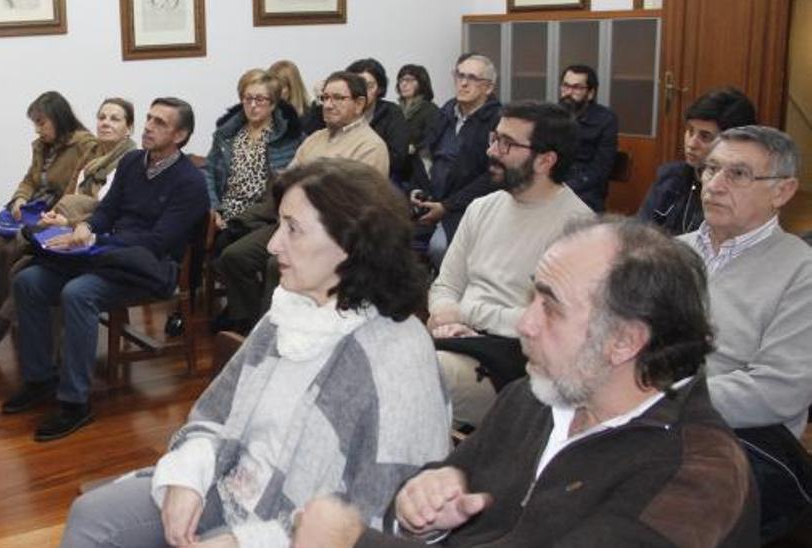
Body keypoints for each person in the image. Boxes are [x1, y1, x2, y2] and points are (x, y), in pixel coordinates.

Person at [294, 217, 760, 548]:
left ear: (623, 341)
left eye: (550, 307)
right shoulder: (538, 396)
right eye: (532, 296)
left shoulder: (696, 473)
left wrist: (352, 542)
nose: (525, 323)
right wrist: (426, 505)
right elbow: (436, 492)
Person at [62, 158, 450, 548]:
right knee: (92, 518)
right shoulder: (290, 309)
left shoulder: (398, 355)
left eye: (292, 229)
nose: (272, 243)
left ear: (350, 244)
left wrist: (244, 541)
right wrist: (187, 478)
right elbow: (216, 412)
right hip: (232, 486)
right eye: (279, 224)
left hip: (296, 533)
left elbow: (378, 517)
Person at [4, 97, 209, 442]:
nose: (148, 127)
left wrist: (97, 240)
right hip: (106, 255)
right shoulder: (131, 162)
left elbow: (158, 242)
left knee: (78, 293)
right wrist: (86, 228)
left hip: (149, 268)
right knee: (28, 281)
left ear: (181, 134)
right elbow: (106, 211)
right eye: (148, 118)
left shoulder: (189, 182)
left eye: (160, 123)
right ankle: (40, 379)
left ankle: (75, 402)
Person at [427, 100, 593, 429]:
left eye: (507, 144)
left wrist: (466, 313)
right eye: (494, 138)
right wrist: (445, 312)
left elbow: (556, 324)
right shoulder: (482, 207)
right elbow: (445, 285)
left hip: (517, 359)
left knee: (419, 376)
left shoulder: (579, 229)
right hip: (458, 338)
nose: (492, 151)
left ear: (546, 160)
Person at [681, 125, 812, 541]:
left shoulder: (801, 271)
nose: (714, 186)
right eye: (711, 169)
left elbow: (779, 390)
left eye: (737, 175)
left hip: (737, 439)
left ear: (783, 191)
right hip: (648, 419)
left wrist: (659, 398)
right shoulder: (671, 252)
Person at [212, 71, 389, 334]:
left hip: (334, 233)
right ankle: (252, 325)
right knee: (234, 257)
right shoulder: (315, 139)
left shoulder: (370, 146)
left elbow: (353, 204)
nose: (328, 105)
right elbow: (286, 182)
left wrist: (306, 189)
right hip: (293, 223)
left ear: (360, 103)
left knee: (277, 264)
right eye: (325, 97)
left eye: (338, 98)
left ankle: (275, 331)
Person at [0, 98, 139, 353]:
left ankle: (0, 324)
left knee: (18, 260)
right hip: (63, 221)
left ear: (129, 127)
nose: (105, 123)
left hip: (92, 235)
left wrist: (65, 218)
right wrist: (43, 209)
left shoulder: (128, 160)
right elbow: (59, 187)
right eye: (102, 117)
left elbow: (108, 209)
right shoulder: (92, 152)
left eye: (114, 119)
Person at [0, 92, 97, 348]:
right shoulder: (42, 147)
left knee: (13, 252)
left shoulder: (84, 146)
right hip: (36, 211)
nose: (38, 129)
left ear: (59, 119)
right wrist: (19, 199)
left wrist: (51, 214)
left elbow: (76, 191)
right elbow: (30, 180)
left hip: (58, 216)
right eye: (35, 123)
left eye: (42, 123)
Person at [408, 54, 503, 266]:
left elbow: (492, 177)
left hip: (467, 207)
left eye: (473, 78)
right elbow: (424, 156)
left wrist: (446, 206)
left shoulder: (498, 120)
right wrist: (416, 190)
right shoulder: (445, 112)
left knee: (439, 248)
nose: (464, 83)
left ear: (488, 88)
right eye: (460, 75)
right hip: (432, 198)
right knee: (388, 235)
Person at [637, 88, 756, 235]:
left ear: (734, 142)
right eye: (690, 131)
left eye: (705, 136)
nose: (692, 144)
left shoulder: (743, 193)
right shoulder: (671, 177)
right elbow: (639, 233)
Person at [204, 69, 303, 231]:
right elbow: (209, 172)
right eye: (248, 98)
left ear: (273, 103)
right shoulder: (226, 135)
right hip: (227, 213)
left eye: (260, 99)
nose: (253, 105)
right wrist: (214, 208)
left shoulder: (289, 137)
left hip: (266, 217)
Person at [307, 59, 409, 182]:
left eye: (368, 86)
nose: (329, 105)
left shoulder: (389, 116)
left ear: (379, 88)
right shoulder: (319, 133)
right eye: (326, 97)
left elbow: (397, 157)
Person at [556, 65, 619, 212]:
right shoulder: (552, 115)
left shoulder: (606, 119)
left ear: (590, 93)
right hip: (553, 184)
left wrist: (566, 188)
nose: (568, 93)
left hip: (586, 190)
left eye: (576, 88)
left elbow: (600, 168)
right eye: (565, 86)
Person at [395, 64, 440, 184]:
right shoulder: (396, 110)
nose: (403, 84)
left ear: (421, 82)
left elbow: (432, 139)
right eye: (401, 80)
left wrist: (414, 147)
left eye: (409, 80)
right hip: (399, 166)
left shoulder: (430, 109)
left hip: (420, 168)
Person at [269, 59, 320, 135]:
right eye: (270, 88)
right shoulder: (267, 116)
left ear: (292, 88)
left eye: (280, 88)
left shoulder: (311, 119)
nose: (273, 92)